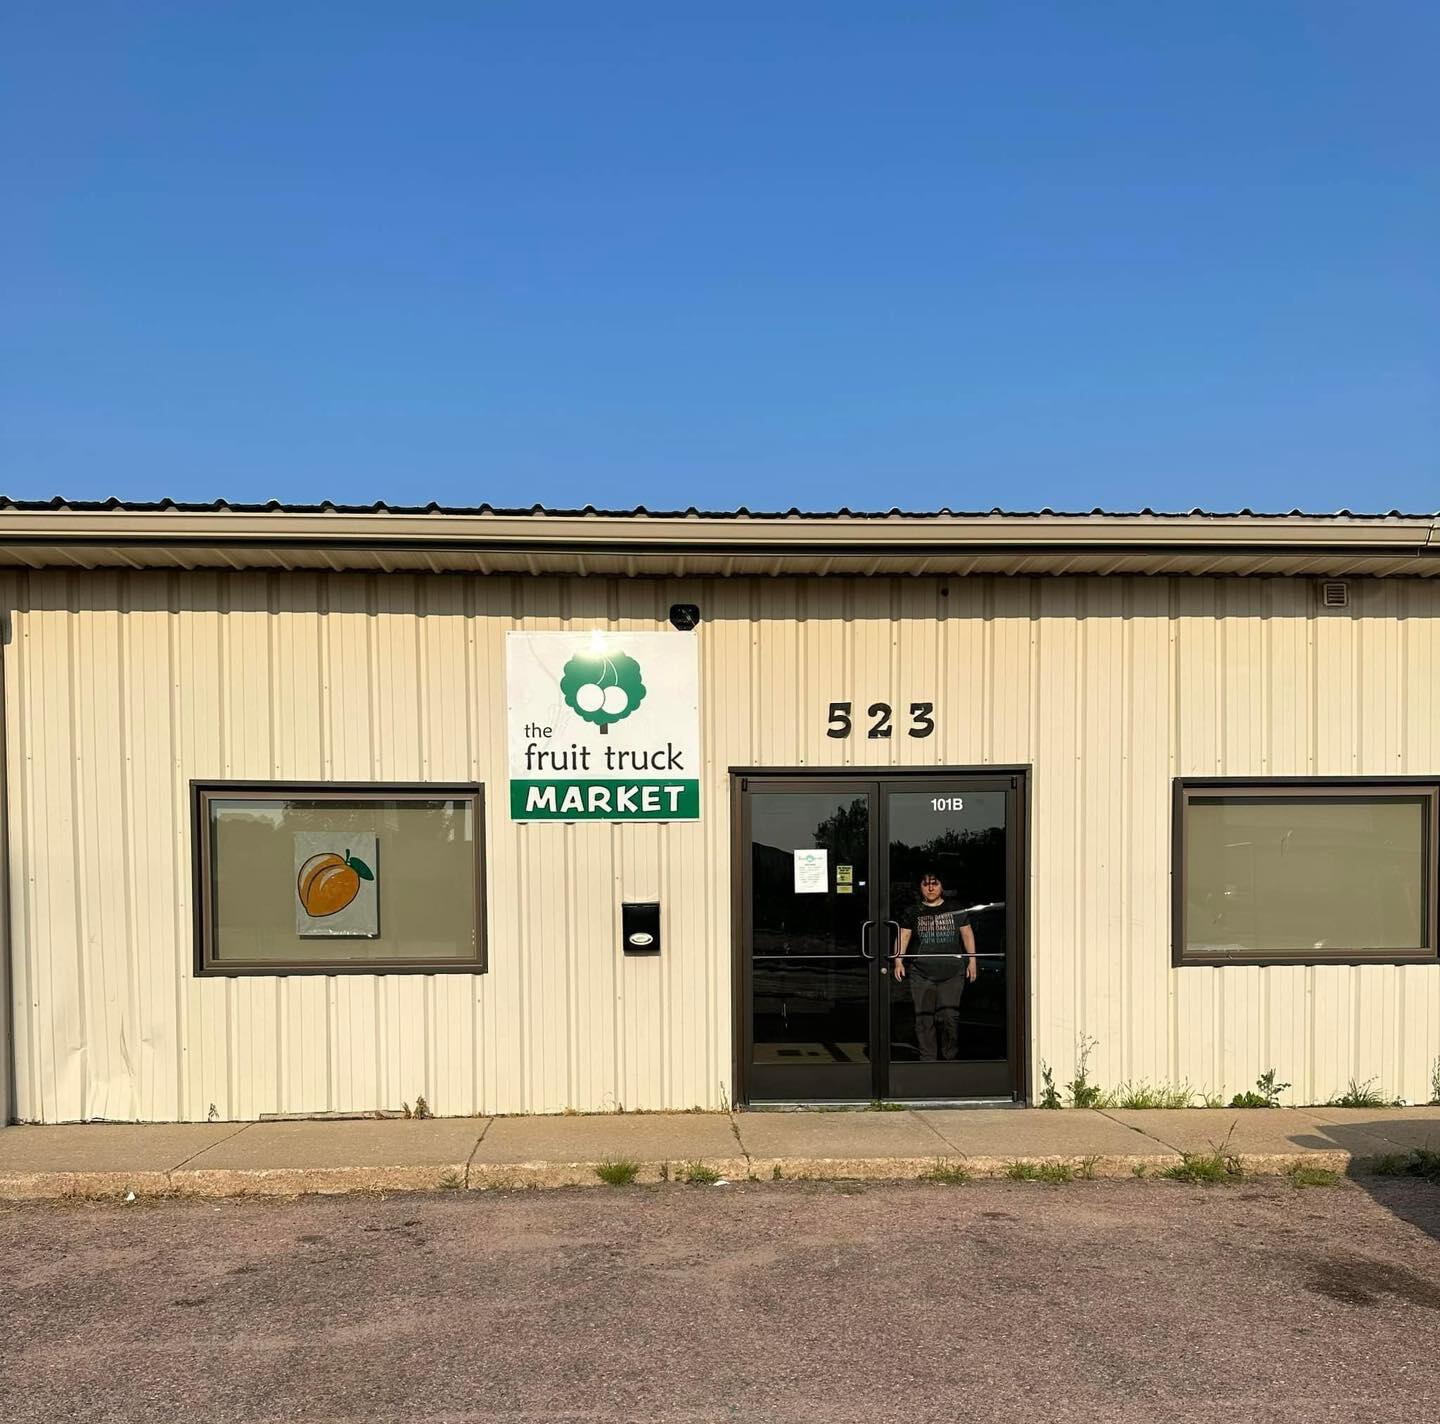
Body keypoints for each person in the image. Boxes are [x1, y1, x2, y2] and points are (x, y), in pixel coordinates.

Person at [894, 870, 977, 1061]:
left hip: (952, 973)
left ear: (942, 886)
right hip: (921, 974)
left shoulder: (955, 908)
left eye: (935, 883)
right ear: (920, 887)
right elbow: (903, 936)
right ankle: (928, 1060)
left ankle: (949, 1058)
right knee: (924, 1018)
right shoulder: (913, 911)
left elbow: (967, 934)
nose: (930, 888)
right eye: (925, 884)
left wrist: (972, 960)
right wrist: (898, 960)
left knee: (949, 1017)